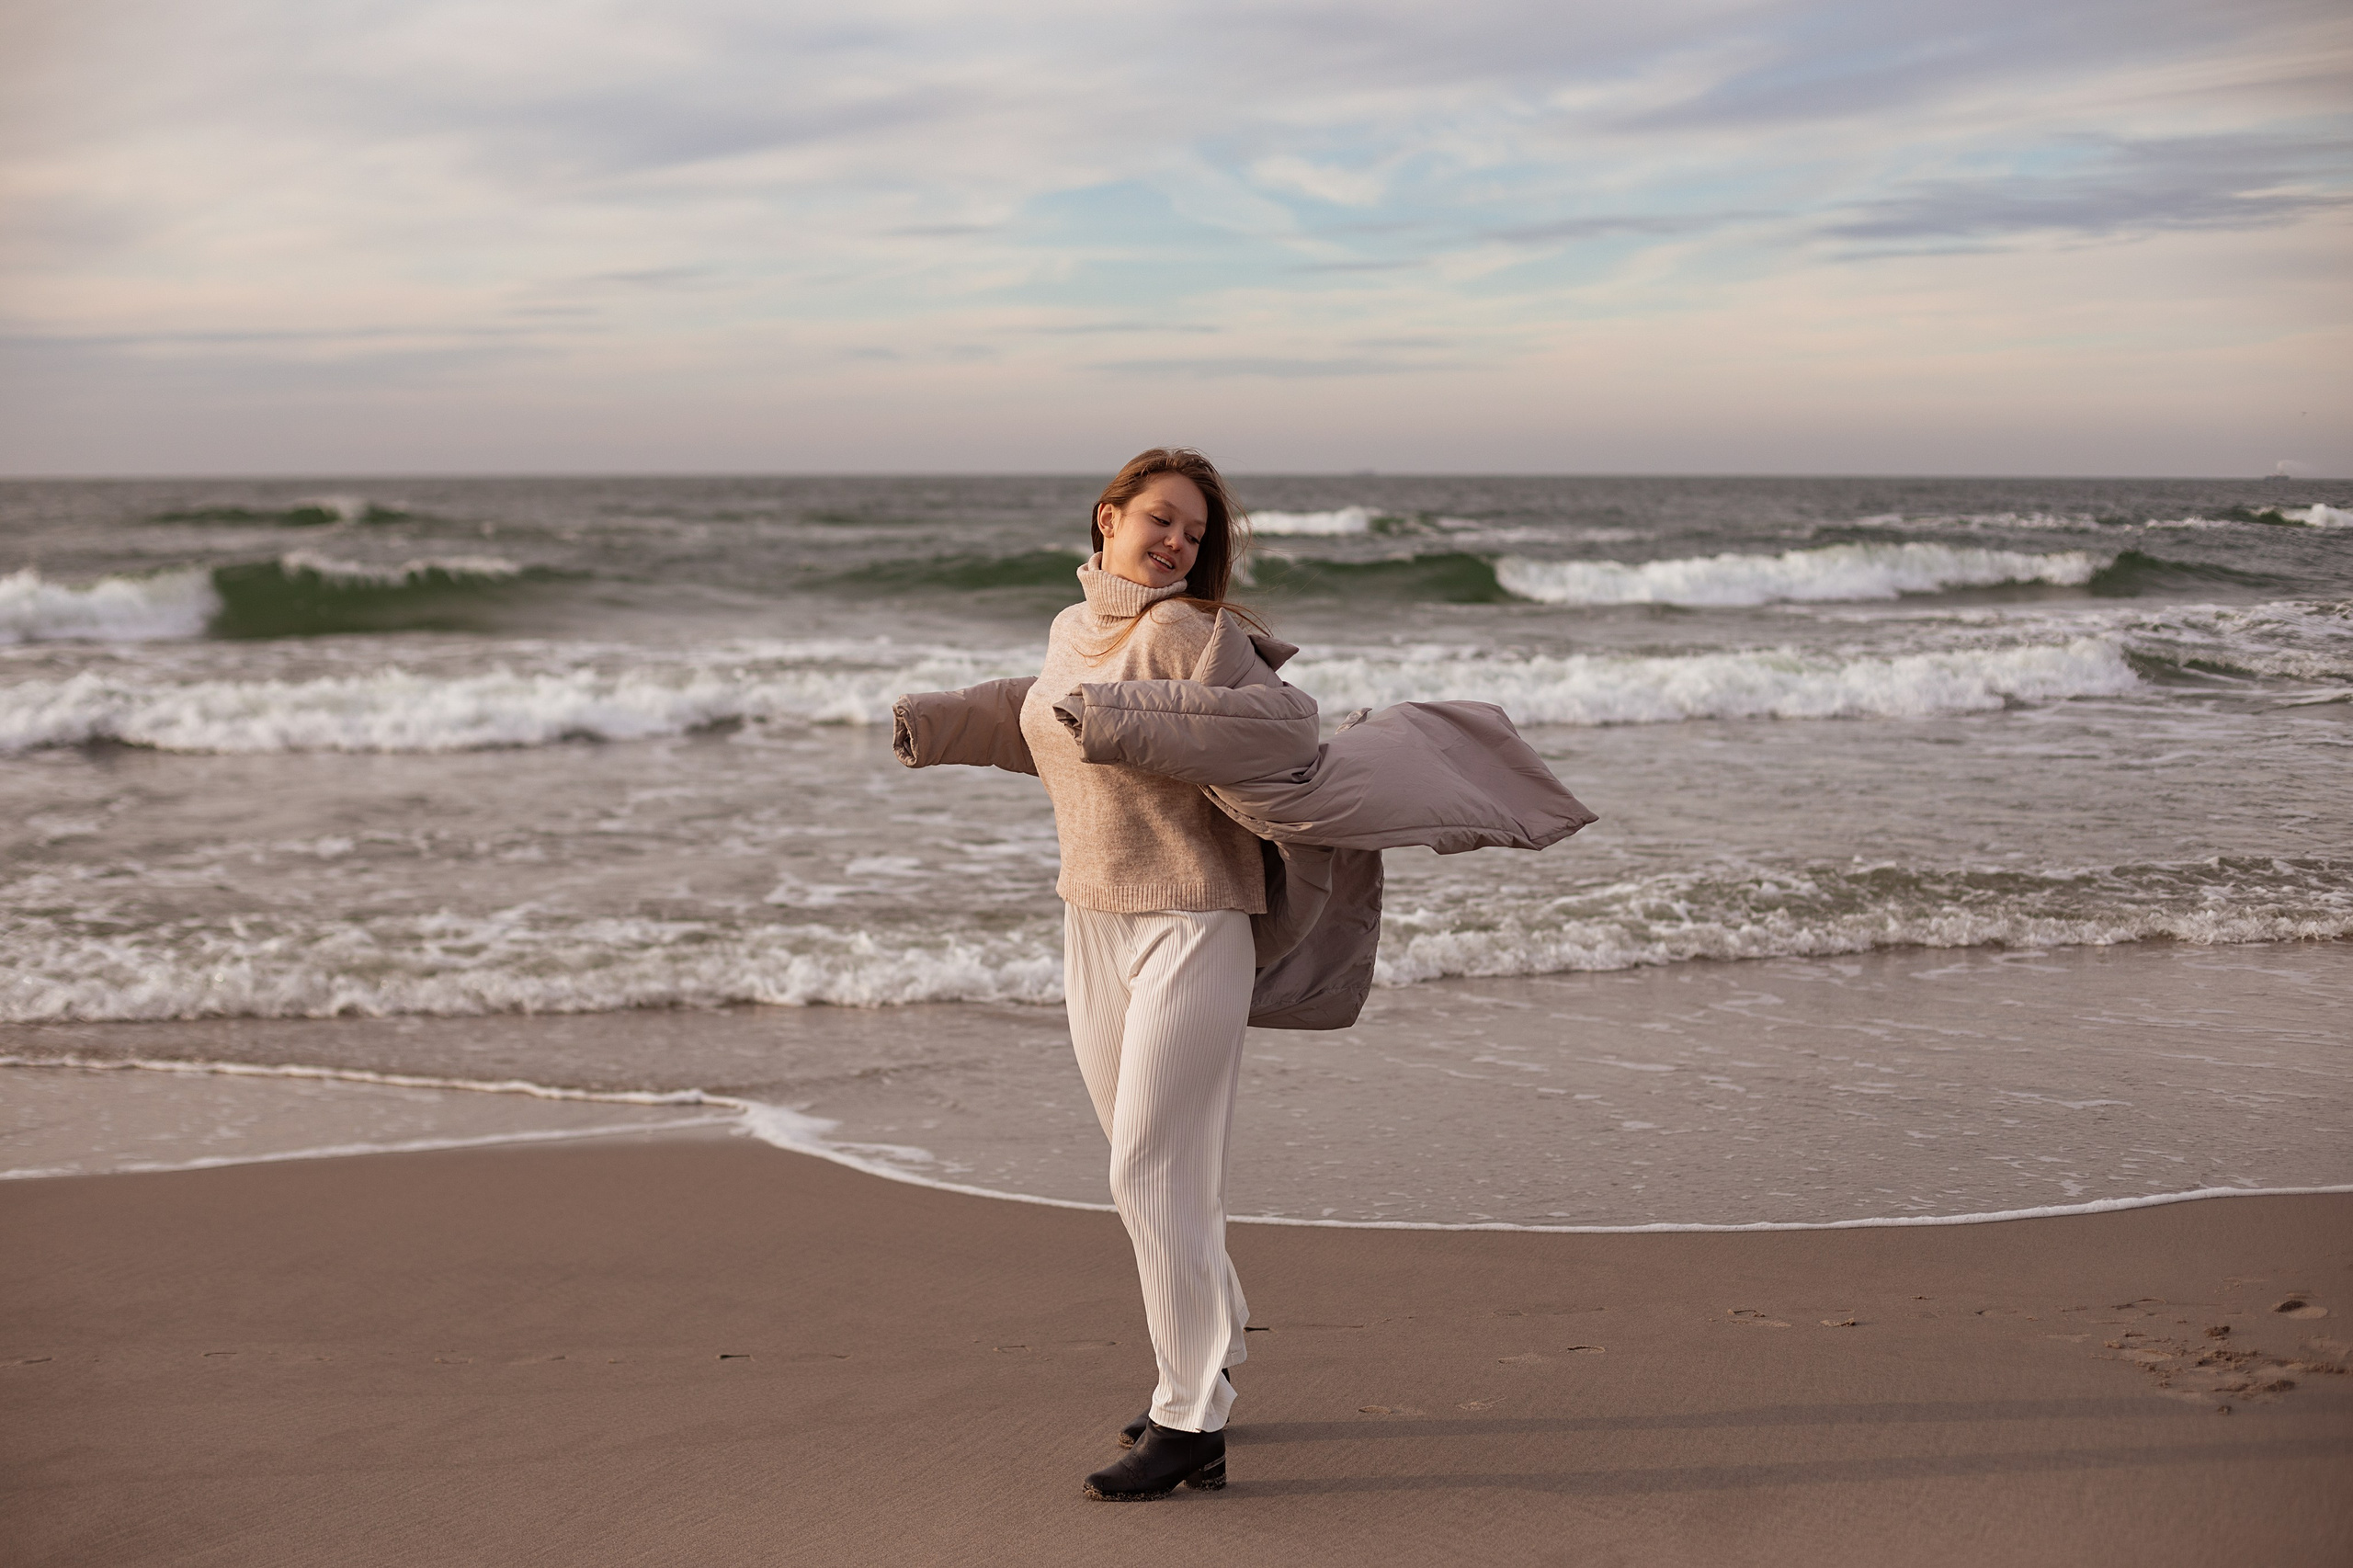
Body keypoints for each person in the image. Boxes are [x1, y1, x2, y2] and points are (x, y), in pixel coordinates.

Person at [1018, 448, 1264, 1501]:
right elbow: (1049, 728)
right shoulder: (1070, 631)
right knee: (1154, 1160)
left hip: (1193, 919)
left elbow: (1279, 727)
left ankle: (1184, 1419)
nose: (1176, 543)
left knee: (1148, 1168)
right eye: (1160, 520)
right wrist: (934, 724)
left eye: (1194, 532)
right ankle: (1213, 1371)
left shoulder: (1185, 630)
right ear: (1107, 516)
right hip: (1092, 917)